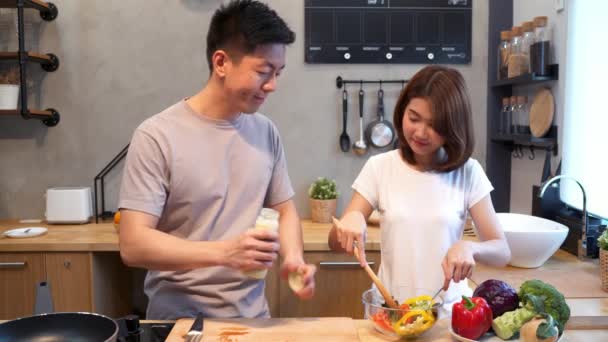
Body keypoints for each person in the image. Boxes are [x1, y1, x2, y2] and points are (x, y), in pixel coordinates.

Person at [118, 0, 316, 320]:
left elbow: (285, 209)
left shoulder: (266, 132)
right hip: (179, 321)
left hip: (253, 318)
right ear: (221, 62)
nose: (273, 85)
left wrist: (293, 258)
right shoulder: (157, 136)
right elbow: (133, 244)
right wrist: (225, 253)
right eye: (263, 72)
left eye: (278, 73)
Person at [329, 65, 511, 316]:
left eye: (434, 125)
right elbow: (335, 243)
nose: (420, 133)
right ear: (403, 110)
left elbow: (502, 250)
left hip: (448, 315)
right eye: (413, 118)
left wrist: (471, 248)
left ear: (452, 127)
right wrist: (351, 219)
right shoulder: (380, 167)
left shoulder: (469, 172)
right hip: (390, 311)